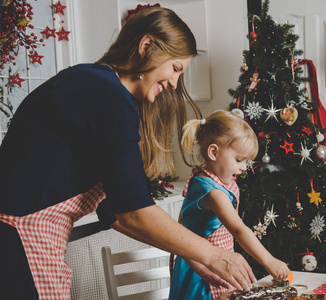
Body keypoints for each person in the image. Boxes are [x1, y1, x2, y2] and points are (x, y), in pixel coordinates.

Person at [0, 7, 255, 299]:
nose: (174, 83)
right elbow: (133, 212)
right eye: (175, 69)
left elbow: (113, 211)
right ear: (146, 46)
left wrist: (195, 259)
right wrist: (213, 255)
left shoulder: (98, 86)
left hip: (28, 241)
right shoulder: (106, 93)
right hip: (19, 242)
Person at [169, 110, 290, 300]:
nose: (244, 167)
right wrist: (269, 261)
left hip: (213, 262)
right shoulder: (213, 192)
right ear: (213, 152)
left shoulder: (204, 178)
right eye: (239, 160)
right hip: (202, 273)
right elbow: (239, 230)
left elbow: (182, 222)